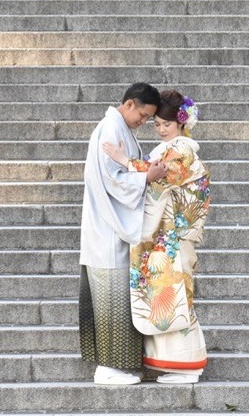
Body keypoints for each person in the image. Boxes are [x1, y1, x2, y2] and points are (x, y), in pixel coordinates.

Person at [103, 89, 210, 384]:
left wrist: (124, 160)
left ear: (181, 123)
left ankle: (185, 365)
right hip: (166, 237)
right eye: (157, 124)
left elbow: (159, 176)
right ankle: (170, 362)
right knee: (164, 298)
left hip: (174, 236)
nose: (161, 129)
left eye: (167, 124)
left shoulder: (183, 150)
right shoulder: (168, 148)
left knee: (176, 297)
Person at [78, 82, 169, 386]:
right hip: (107, 229)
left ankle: (118, 365)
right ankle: (107, 367)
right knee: (111, 298)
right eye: (142, 115)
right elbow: (112, 181)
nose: (144, 122)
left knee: (117, 299)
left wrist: (143, 172)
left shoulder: (121, 129)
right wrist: (146, 177)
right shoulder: (110, 129)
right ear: (129, 104)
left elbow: (122, 172)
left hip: (113, 227)